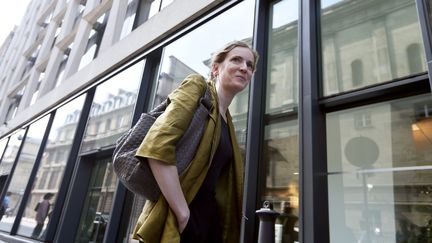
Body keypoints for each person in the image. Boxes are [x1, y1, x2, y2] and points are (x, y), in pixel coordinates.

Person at [132, 41, 259, 243]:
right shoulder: (197, 87)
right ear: (216, 68)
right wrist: (183, 215)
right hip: (182, 221)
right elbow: (157, 146)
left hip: (209, 223)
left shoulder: (228, 121)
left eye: (250, 65)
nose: (244, 67)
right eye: (236, 60)